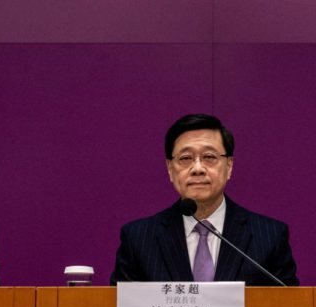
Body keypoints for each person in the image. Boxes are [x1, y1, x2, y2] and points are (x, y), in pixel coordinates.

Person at [110, 114, 299, 286]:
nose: (198, 168)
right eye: (185, 158)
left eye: (209, 157)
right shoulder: (138, 239)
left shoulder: (270, 237)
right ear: (170, 169)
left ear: (229, 166)